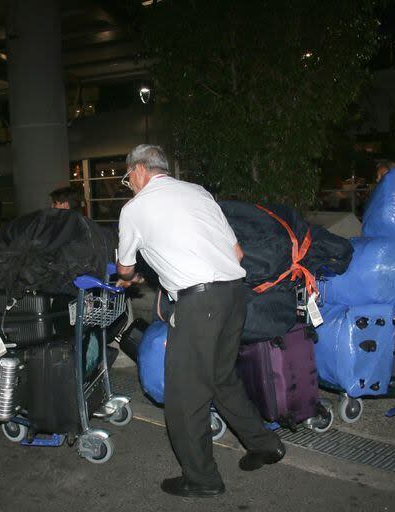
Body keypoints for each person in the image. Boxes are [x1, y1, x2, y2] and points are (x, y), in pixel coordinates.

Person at [115, 144, 285, 498]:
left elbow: (125, 268)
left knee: (183, 395)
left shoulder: (135, 209)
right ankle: (265, 444)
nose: (128, 183)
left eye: (128, 175)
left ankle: (202, 478)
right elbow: (236, 253)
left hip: (199, 304)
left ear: (141, 170)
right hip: (234, 295)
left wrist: (130, 278)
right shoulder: (198, 192)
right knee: (222, 379)